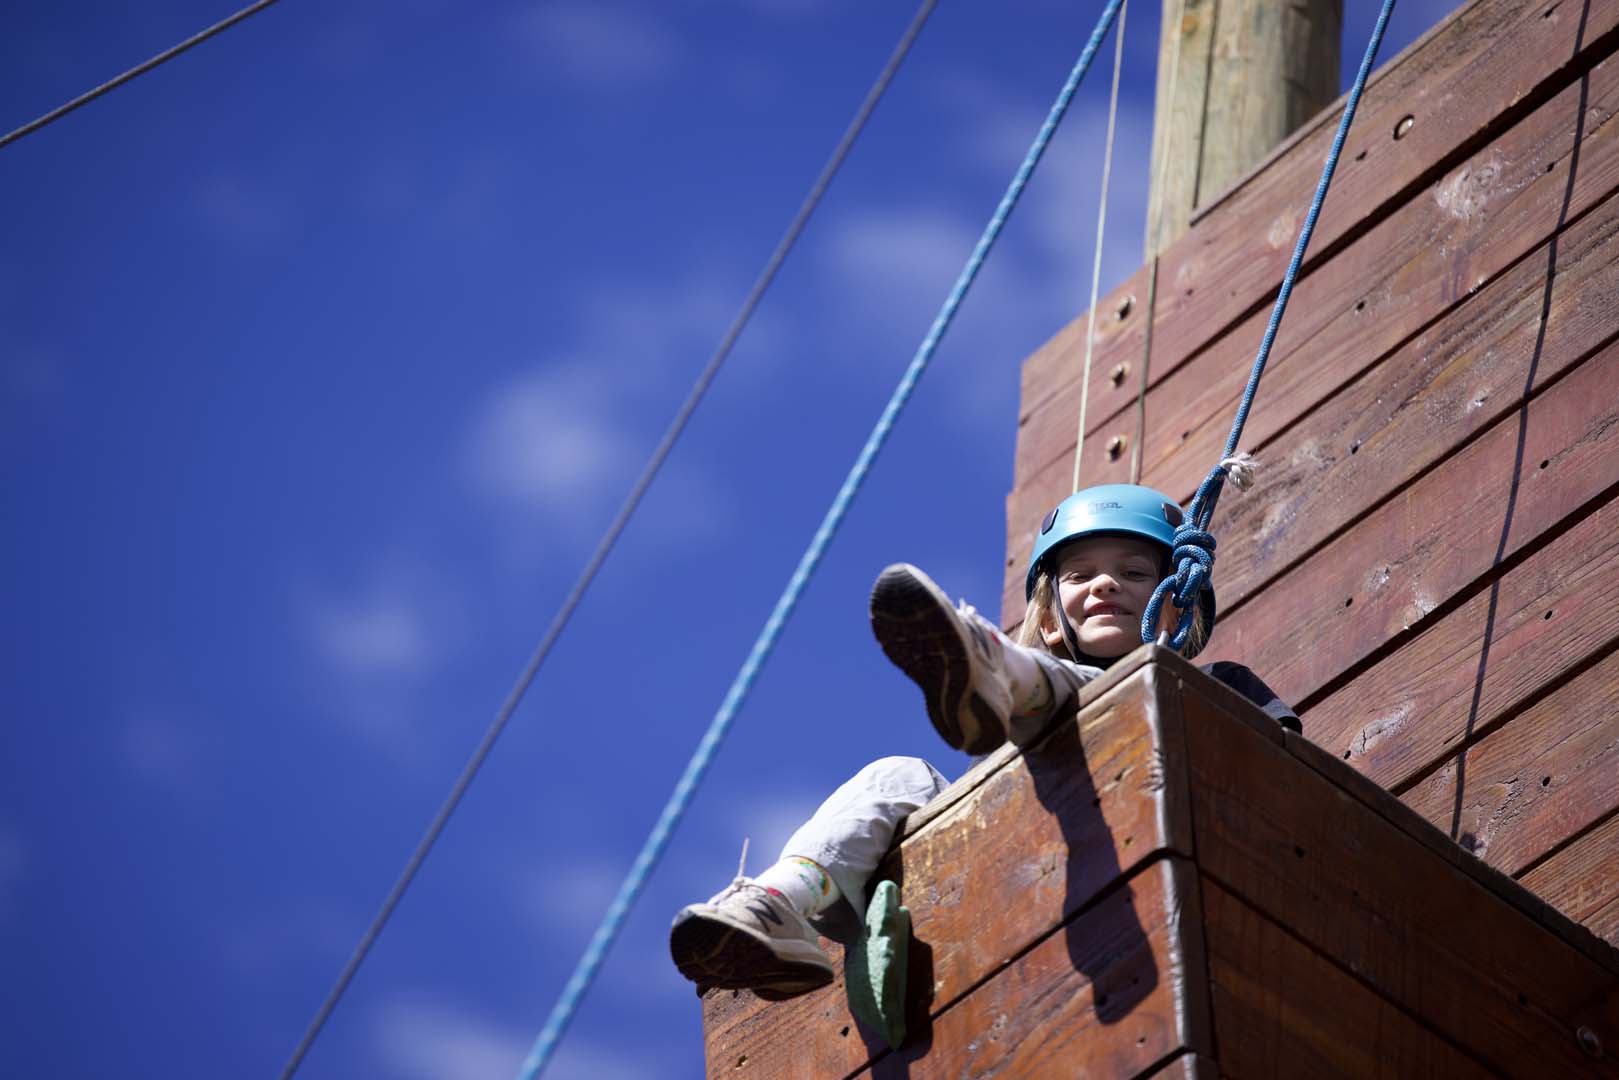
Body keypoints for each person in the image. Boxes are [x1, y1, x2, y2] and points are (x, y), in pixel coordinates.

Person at [667, 483, 1297, 999]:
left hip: (1150, 785)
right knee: (898, 776)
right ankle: (781, 904)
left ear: (1179, 604)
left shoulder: (1218, 684)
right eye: (1081, 576)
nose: (1105, 585)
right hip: (1022, 841)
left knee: (1114, 688)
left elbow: (1285, 770)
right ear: (1048, 619)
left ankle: (993, 671)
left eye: (1134, 572)